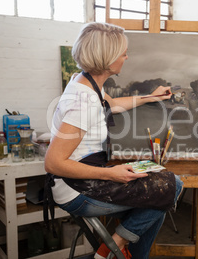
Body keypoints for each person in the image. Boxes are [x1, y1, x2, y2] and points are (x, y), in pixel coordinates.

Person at [44, 22, 183, 259]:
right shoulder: (83, 102)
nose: (127, 57)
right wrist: (112, 173)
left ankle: (122, 250)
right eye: (123, 53)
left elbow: (113, 104)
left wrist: (151, 96)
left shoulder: (85, 82)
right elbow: (53, 163)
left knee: (160, 196)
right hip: (75, 189)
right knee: (174, 186)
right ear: (108, 61)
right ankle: (111, 248)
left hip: (84, 177)